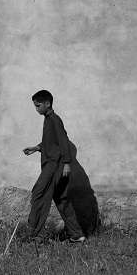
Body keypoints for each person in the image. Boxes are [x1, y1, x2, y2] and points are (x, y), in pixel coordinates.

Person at [22, 90, 85, 243]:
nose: (36, 109)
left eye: (38, 106)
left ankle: (33, 234)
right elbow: (52, 142)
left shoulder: (55, 120)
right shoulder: (48, 119)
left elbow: (64, 141)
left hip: (54, 166)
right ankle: (77, 235)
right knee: (61, 199)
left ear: (47, 104)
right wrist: (37, 147)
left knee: (39, 193)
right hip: (54, 165)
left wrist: (66, 163)